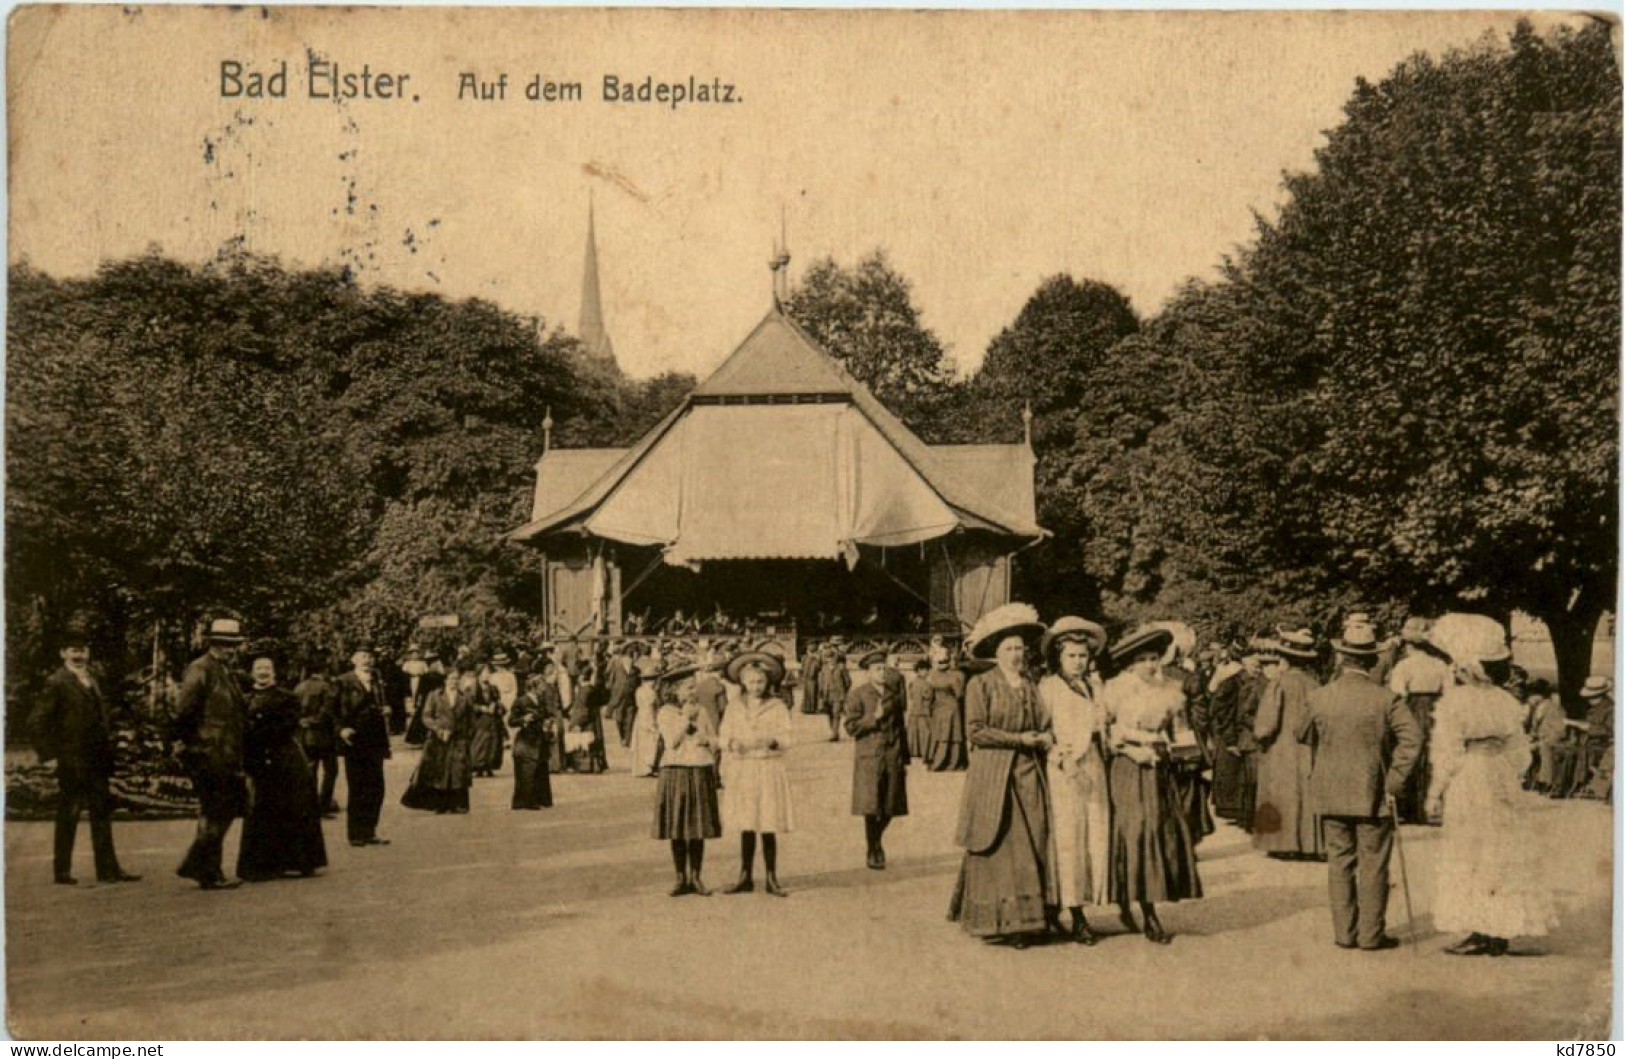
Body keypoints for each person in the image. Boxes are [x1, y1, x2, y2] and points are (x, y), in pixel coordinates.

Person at [1424, 613, 1559, 955]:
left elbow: (1447, 752)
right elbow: (1521, 754)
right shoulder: (1506, 701)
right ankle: (1498, 928)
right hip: (1499, 774)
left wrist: (1435, 793)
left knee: (1470, 849)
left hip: (1471, 775)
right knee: (1501, 849)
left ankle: (1480, 928)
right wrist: (1508, 774)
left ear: (1467, 667)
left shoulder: (1455, 702)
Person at [1295, 621, 1421, 951]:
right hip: (1374, 793)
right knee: (1374, 863)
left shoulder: (1319, 697)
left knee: (1339, 863)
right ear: (1372, 660)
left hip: (1330, 792)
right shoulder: (1387, 699)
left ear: (1340, 657)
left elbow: (1300, 733)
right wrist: (1393, 780)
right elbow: (1413, 739)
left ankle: (1344, 934)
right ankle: (1371, 935)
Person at [948, 604, 1057, 945]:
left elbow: (1043, 721)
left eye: (1020, 648)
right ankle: (1002, 924)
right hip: (994, 775)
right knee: (1002, 845)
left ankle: (1033, 920)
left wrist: (1045, 735)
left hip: (1029, 773)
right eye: (1009, 648)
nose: (1016, 654)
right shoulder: (981, 684)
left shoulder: (1030, 684)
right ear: (996, 653)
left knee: (1035, 841)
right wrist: (1018, 739)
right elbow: (976, 731)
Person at [1100, 625, 1203, 944]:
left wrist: (1184, 758)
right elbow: (1102, 733)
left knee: (1162, 831)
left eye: (1154, 658)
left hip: (1161, 770)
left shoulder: (1170, 690)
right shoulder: (1115, 690)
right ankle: (1140, 908)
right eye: (1142, 659)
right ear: (1130, 663)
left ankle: (1150, 902)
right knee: (1135, 831)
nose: (1149, 665)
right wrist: (1130, 749)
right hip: (1128, 768)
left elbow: (1181, 732)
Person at [30, 625, 140, 886]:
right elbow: (36, 722)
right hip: (71, 759)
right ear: (63, 654)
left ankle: (108, 870)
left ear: (88, 653)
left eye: (82, 650)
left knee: (102, 812)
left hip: (97, 759)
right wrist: (50, 756)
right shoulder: (56, 682)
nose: (78, 655)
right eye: (73, 651)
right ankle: (62, 871)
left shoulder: (91, 679)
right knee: (69, 812)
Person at [1038, 616, 1110, 944]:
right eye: (1071, 656)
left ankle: (1087, 902)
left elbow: (1102, 724)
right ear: (1059, 657)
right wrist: (1065, 761)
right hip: (1064, 770)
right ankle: (1071, 911)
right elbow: (1044, 732)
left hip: (1094, 765)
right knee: (1068, 838)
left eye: (1083, 656)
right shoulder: (1049, 687)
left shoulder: (1094, 685)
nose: (1078, 662)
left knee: (1094, 834)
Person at [172, 617, 250, 889]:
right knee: (217, 809)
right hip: (209, 752)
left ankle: (207, 869)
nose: (230, 649)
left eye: (233, 645)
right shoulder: (200, 669)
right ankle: (202, 867)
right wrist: (189, 744)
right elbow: (184, 711)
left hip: (226, 752)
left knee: (220, 810)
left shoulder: (224, 670)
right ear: (212, 644)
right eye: (224, 644)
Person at [238, 653, 327, 880]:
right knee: (260, 809)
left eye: (267, 668)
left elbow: (286, 725)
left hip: (284, 757)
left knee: (292, 806)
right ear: (252, 672)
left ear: (274, 671)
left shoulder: (286, 697)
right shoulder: (244, 699)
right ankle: (262, 865)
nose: (263, 672)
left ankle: (297, 861)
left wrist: (258, 733)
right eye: (259, 668)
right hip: (258, 758)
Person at [719, 649, 794, 896]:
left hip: (767, 767)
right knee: (747, 822)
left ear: (768, 682)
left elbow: (788, 736)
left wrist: (773, 741)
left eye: (760, 681)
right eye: (751, 681)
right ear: (742, 681)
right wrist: (732, 745)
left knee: (768, 822)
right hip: (745, 768)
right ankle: (745, 875)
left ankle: (771, 877)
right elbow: (724, 735)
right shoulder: (734, 707)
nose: (756, 686)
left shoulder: (777, 706)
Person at [1252, 628, 1323, 858]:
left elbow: (1266, 724)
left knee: (1281, 792)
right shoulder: (1315, 684)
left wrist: (1259, 736)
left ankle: (1282, 844)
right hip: (1308, 747)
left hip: (1281, 748)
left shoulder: (1279, 684)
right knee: (1307, 794)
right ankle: (1309, 844)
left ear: (1284, 659)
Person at [653, 663, 721, 895]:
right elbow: (671, 741)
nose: (693, 692)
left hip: (699, 768)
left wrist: (706, 739)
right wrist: (686, 720)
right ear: (675, 691)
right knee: (678, 827)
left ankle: (696, 876)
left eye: (694, 688)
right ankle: (680, 877)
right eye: (688, 688)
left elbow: (714, 739)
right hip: (676, 770)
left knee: (697, 826)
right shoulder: (665, 712)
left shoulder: (701, 711)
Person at [843, 649, 910, 870]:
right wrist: (874, 718)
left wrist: (905, 758)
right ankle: (873, 849)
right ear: (868, 672)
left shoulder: (893, 693)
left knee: (891, 805)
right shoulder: (858, 694)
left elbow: (901, 727)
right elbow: (851, 727)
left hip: (892, 754)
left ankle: (876, 839)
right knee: (872, 806)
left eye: (884, 668)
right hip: (869, 756)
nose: (882, 673)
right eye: (877, 669)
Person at [1388, 617, 1451, 823]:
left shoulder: (1404, 666)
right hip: (1437, 713)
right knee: (1434, 755)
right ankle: (1432, 805)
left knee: (1409, 753)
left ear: (1408, 645)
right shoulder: (1441, 665)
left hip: (1412, 711)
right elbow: (1450, 693)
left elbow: (1397, 694)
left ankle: (1410, 807)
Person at [334, 642, 392, 848]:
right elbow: (331, 712)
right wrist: (341, 729)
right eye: (362, 656)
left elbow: (382, 705)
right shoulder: (343, 681)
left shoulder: (377, 681)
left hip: (376, 740)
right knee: (358, 786)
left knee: (376, 788)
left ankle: (370, 830)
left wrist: (386, 710)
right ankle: (356, 833)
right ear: (353, 660)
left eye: (369, 656)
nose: (367, 660)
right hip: (355, 741)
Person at [1209, 644, 1267, 830]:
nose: (1257, 668)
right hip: (1233, 735)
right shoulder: (1232, 682)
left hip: (1243, 736)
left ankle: (1244, 816)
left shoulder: (1255, 682)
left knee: (1243, 779)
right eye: (1253, 664)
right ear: (1244, 663)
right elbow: (1221, 711)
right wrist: (1229, 739)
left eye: (1259, 665)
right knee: (1236, 778)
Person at [403, 665, 475, 814]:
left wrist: (467, 735)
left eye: (456, 679)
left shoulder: (465, 697)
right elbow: (426, 716)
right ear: (445, 680)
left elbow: (471, 719)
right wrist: (438, 729)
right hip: (438, 739)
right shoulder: (434, 695)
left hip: (458, 739)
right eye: (451, 679)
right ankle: (440, 804)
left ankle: (458, 804)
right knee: (439, 771)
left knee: (457, 772)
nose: (453, 682)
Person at [293, 650, 341, 818]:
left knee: (310, 771)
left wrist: (303, 722)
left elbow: (294, 711)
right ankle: (324, 804)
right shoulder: (327, 687)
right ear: (324, 670)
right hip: (323, 736)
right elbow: (327, 712)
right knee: (331, 771)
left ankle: (310, 805)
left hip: (305, 735)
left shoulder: (299, 687)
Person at [509, 671, 554, 811]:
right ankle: (526, 801)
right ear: (533, 687)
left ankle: (540, 799)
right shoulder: (521, 701)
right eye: (542, 685)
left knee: (540, 769)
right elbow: (511, 721)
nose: (544, 688)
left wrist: (548, 723)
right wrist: (523, 720)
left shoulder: (541, 700)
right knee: (527, 771)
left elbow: (547, 715)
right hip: (526, 740)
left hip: (540, 739)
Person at [926, 642, 968, 771]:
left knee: (940, 734)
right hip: (952, 707)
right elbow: (959, 694)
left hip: (939, 707)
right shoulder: (954, 676)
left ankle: (937, 761)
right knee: (955, 735)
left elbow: (929, 695)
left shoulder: (932, 676)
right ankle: (953, 762)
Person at [472, 650, 514, 777]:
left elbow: (498, 700)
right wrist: (482, 708)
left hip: (493, 717)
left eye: (488, 672)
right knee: (481, 742)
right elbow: (470, 704)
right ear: (479, 674)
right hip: (480, 719)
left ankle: (489, 765)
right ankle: (479, 766)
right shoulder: (474, 688)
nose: (487, 675)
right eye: (484, 673)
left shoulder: (492, 688)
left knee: (494, 742)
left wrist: (496, 706)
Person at [564, 660, 608, 774]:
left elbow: (583, 709)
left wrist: (577, 722)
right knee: (594, 739)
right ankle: (597, 764)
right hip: (594, 717)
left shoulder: (584, 691)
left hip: (585, 719)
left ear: (581, 677)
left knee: (583, 740)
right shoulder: (592, 689)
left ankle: (584, 765)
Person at [1577, 676, 1614, 801]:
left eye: (1591, 697)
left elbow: (1610, 731)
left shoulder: (1611, 709)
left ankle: (1591, 786)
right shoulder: (1596, 708)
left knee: (1585, 751)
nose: (1588, 700)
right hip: (1592, 742)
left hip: (1603, 743)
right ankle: (1584, 784)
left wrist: (1588, 728)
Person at [399, 646, 441, 748]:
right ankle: (415, 739)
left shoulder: (436, 675)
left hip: (434, 699)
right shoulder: (426, 677)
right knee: (421, 717)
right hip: (426, 698)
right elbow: (420, 690)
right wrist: (418, 699)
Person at [629, 667, 662, 778]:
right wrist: (654, 722)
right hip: (648, 716)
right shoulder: (651, 693)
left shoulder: (639, 690)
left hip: (640, 717)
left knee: (641, 742)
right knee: (650, 742)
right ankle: (649, 766)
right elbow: (651, 708)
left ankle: (641, 767)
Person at [820, 638, 851, 742]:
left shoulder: (841, 668)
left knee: (836, 713)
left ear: (835, 657)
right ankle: (833, 732)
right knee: (830, 714)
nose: (830, 659)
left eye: (832, 657)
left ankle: (834, 733)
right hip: (827, 695)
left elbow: (848, 682)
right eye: (827, 657)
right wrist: (822, 693)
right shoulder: (824, 668)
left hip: (838, 694)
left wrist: (843, 691)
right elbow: (822, 681)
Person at [905, 658, 933, 760]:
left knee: (913, 733)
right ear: (920, 670)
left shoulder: (913, 683)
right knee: (924, 733)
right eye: (926, 670)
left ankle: (914, 751)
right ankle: (924, 751)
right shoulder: (926, 684)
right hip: (923, 711)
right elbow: (928, 697)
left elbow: (912, 697)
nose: (927, 672)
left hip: (914, 711)